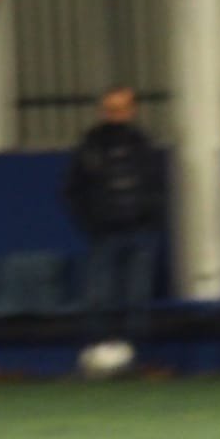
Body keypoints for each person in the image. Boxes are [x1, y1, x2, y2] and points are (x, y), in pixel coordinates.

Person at [63, 85, 165, 361]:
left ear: (132, 110)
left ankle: (134, 355)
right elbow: (73, 189)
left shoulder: (143, 144)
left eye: (121, 109)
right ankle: (99, 351)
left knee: (137, 298)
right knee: (99, 298)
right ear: (102, 111)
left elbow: (157, 185)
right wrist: (91, 221)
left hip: (141, 231)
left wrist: (152, 217)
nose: (116, 115)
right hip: (104, 233)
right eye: (111, 109)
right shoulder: (90, 145)